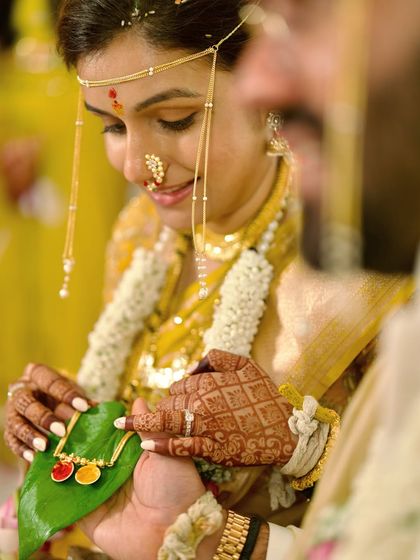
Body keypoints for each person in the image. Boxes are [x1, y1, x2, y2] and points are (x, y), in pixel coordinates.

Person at [1, 0, 413, 558]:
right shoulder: (141, 235)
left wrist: (296, 447)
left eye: (176, 120)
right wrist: (69, 426)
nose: (134, 167)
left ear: (264, 87)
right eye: (113, 127)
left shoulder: (365, 244)